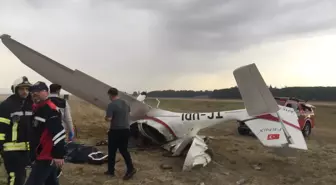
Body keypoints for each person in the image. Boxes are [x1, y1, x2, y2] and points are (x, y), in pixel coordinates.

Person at [24, 81, 66, 185]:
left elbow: (59, 132)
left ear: (47, 92)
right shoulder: (37, 108)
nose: (35, 94)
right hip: (40, 154)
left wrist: (58, 155)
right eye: (33, 92)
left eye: (39, 91)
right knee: (50, 182)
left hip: (46, 155)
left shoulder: (50, 110)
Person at [0, 76, 33, 185]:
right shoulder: (6, 106)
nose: (25, 92)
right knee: (15, 179)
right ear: (15, 89)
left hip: (26, 150)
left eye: (27, 89)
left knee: (22, 178)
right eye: (22, 89)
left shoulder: (30, 106)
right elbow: (1, 129)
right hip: (11, 151)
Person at [104, 87, 136, 180]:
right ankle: (128, 169)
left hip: (115, 131)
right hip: (126, 130)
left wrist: (106, 118)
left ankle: (112, 171)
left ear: (110, 95)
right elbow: (128, 113)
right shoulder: (126, 102)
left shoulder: (111, 105)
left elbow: (109, 118)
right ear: (117, 94)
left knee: (112, 151)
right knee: (124, 150)